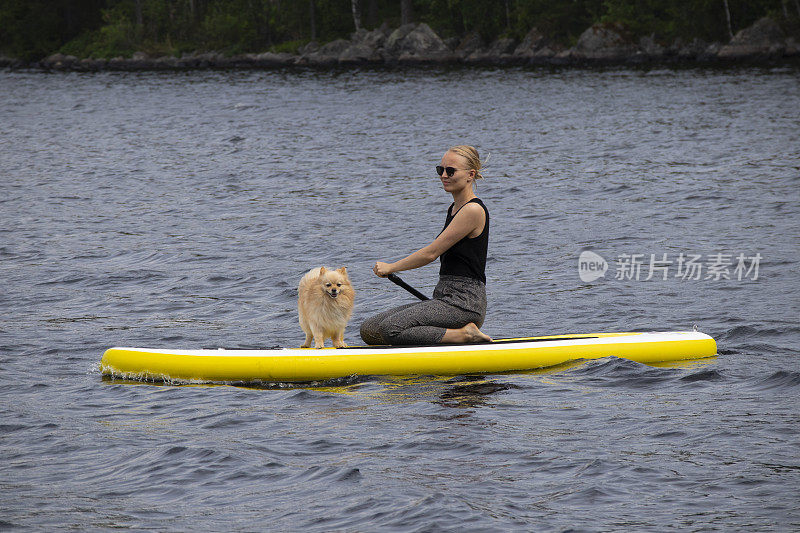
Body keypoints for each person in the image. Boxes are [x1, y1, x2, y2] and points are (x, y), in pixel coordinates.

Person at [360, 145, 493, 345]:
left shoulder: (472, 210)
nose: (443, 175)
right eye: (441, 170)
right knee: (369, 330)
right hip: (443, 298)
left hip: (464, 303)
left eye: (450, 171)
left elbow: (431, 253)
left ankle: (464, 334)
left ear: (470, 175)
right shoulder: (454, 208)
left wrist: (392, 267)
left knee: (390, 329)